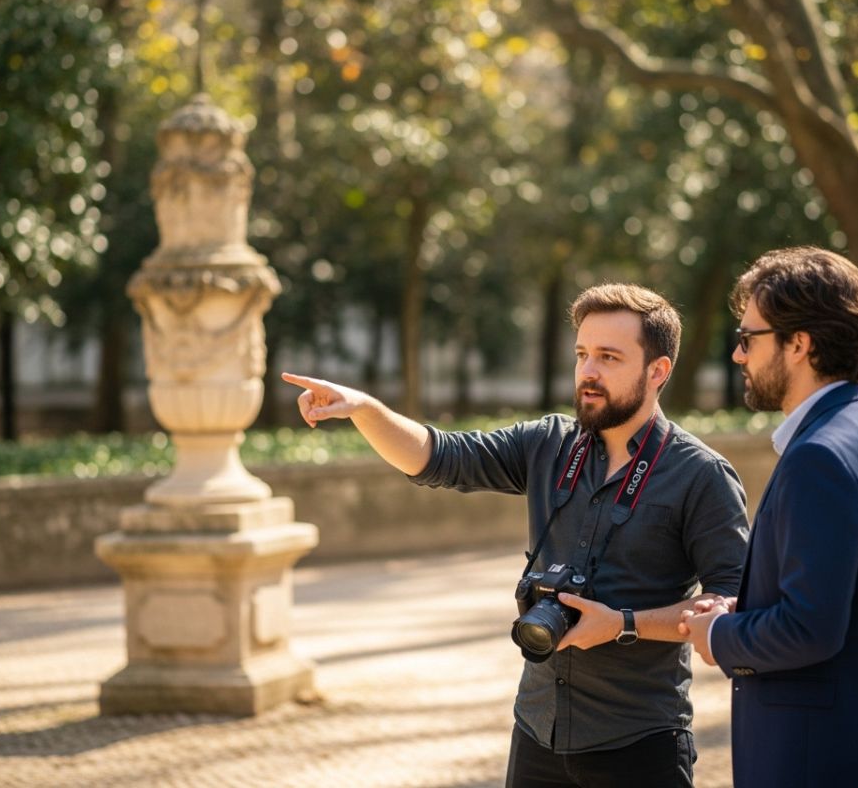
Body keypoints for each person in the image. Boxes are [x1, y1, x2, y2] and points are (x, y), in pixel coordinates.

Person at [284, 283, 749, 788]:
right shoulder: (548, 443)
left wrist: (623, 624)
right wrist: (364, 410)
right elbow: (437, 456)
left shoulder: (702, 475)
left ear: (657, 371)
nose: (588, 372)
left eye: (609, 357)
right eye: (582, 354)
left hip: (638, 744)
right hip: (536, 731)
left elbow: (732, 601)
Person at [680, 247, 858, 787]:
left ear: (799, 343)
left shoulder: (819, 457)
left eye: (748, 338)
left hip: (823, 759)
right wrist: (742, 607)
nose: (738, 355)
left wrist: (719, 634)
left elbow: (810, 629)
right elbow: (847, 597)